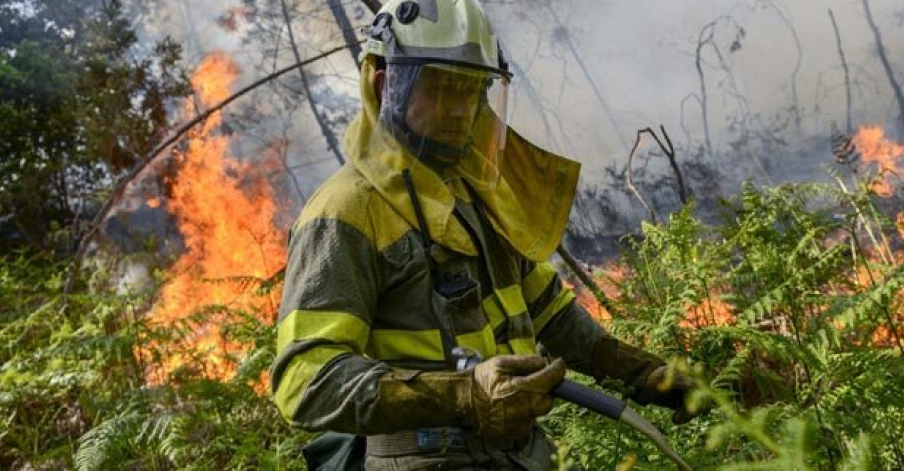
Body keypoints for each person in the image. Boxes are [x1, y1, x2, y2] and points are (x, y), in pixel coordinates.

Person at [271, 1, 703, 470]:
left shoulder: (474, 194)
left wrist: (649, 375)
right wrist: (463, 394)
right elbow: (305, 378)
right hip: (422, 460)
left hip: (521, 455)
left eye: (474, 91)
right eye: (441, 88)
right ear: (385, 84)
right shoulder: (346, 212)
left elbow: (551, 316)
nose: (461, 111)